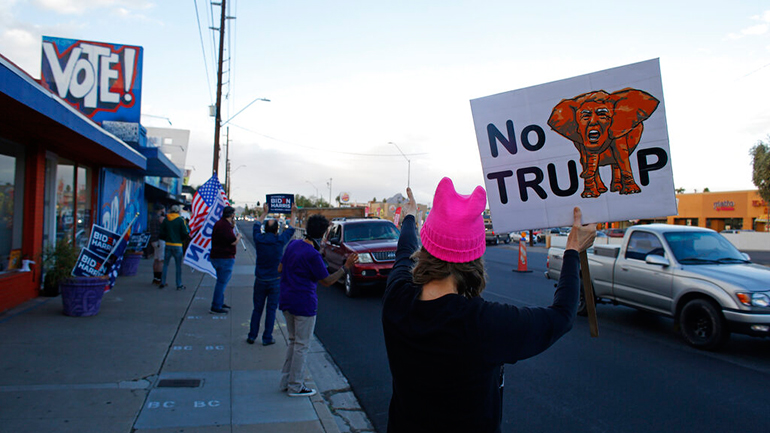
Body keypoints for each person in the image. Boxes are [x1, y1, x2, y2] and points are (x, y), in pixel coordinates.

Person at [382, 178, 596, 433]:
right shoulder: (482, 324)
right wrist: (572, 250)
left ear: (426, 248)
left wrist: (409, 217)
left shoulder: (397, 298)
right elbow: (562, 316)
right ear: (474, 259)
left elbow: (404, 252)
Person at [278, 214, 358, 397]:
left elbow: (280, 269)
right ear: (322, 235)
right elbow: (327, 281)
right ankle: (295, 386)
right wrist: (345, 267)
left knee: (293, 342)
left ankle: (286, 381)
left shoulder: (293, 245)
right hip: (304, 304)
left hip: (286, 299)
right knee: (301, 345)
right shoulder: (313, 255)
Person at [248, 203, 298, 345]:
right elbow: (292, 228)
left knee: (257, 308)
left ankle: (252, 335)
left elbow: (256, 225)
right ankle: (267, 337)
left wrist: (264, 212)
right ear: (277, 230)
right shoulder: (279, 241)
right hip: (275, 280)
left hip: (260, 279)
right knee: (271, 310)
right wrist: (293, 213)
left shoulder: (259, 240)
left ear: (265, 229)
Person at [209, 206, 241, 314]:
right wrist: (239, 237)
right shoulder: (225, 226)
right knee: (222, 282)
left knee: (221, 281)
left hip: (217, 256)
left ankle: (220, 301)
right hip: (224, 257)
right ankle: (216, 306)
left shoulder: (220, 224)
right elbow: (233, 241)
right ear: (231, 214)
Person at [159, 204, 189, 290]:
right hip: (178, 245)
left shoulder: (166, 220)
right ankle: (179, 284)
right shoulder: (180, 220)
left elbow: (162, 232)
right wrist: (182, 239)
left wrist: (167, 238)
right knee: (178, 266)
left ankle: (163, 282)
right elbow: (185, 232)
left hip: (168, 244)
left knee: (165, 264)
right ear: (178, 211)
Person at [148, 204, 165, 284]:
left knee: (155, 259)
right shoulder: (160, 219)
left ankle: (155, 277)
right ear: (161, 210)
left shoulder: (152, 218)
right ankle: (159, 278)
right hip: (160, 240)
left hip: (153, 240)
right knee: (160, 260)